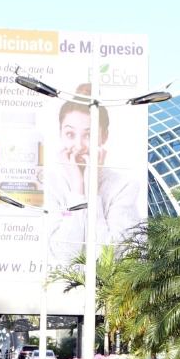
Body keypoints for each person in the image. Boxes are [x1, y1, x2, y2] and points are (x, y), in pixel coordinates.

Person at [44, 88, 144, 266]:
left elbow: (107, 256)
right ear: (60, 134)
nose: (79, 146)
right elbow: (65, 254)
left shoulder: (124, 186)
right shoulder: (51, 184)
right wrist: (77, 188)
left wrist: (92, 188)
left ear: (104, 136)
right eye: (70, 134)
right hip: (61, 283)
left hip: (107, 284)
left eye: (89, 135)